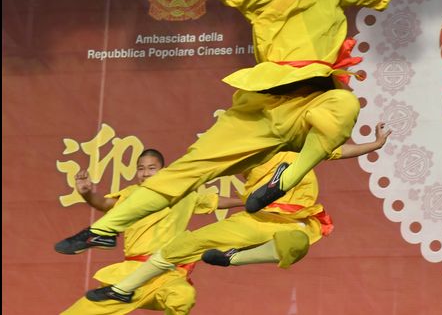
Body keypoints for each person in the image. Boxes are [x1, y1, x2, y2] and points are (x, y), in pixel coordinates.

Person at [56, 0, 442, 255]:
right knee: (185, 171)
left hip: (311, 99)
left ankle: (287, 178)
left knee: (344, 107)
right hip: (260, 109)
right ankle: (104, 230)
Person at [84, 122, 391, 304]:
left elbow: (339, 150)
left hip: (295, 220)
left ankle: (233, 257)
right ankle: (122, 289)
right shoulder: (249, 152)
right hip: (255, 217)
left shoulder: (302, 147)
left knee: (296, 244)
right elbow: (208, 168)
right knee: (188, 243)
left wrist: (375, 143)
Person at [61, 148, 243, 314]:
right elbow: (103, 204)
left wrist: (248, 201)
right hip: (131, 276)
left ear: (163, 171)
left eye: (151, 168)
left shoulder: (182, 194)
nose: (145, 173)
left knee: (183, 296)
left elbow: (215, 201)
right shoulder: (132, 194)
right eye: (141, 169)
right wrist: (86, 193)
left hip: (166, 275)